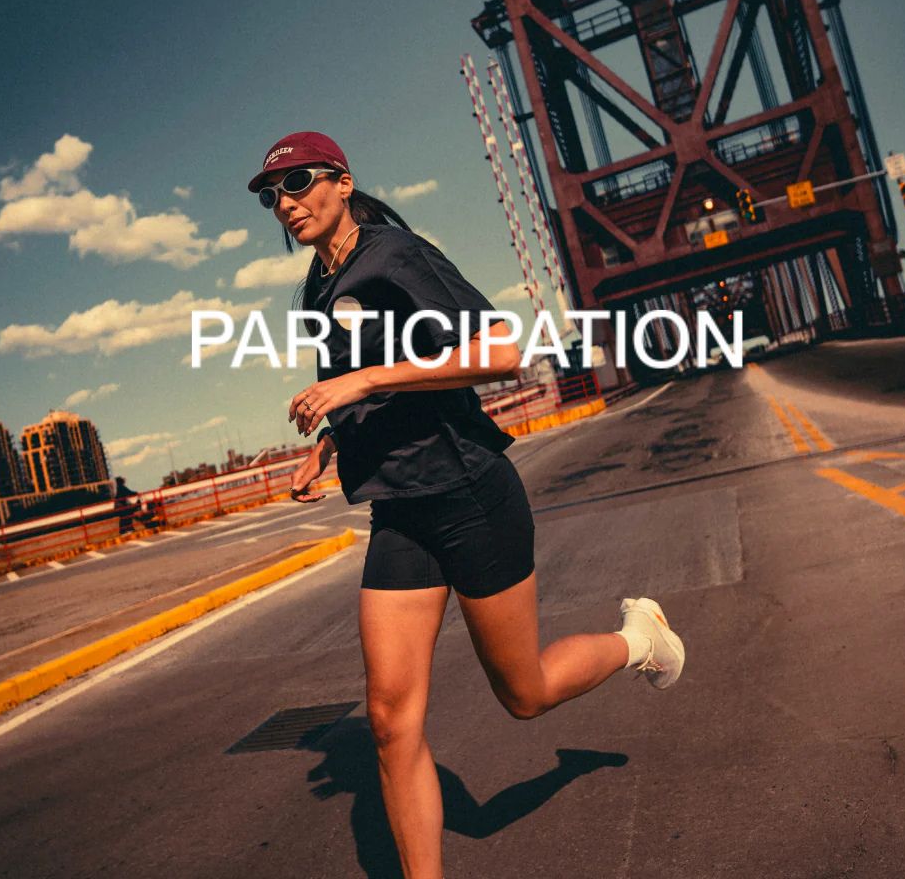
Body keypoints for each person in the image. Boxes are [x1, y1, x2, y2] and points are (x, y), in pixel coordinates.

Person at [247, 131, 686, 879]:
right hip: (400, 514)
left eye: (301, 183)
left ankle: (638, 638)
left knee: (526, 692)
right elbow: (362, 386)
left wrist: (360, 383)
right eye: (272, 194)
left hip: (469, 494)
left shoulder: (396, 254)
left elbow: (500, 352)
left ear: (343, 183)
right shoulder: (321, 288)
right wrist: (329, 440)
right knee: (389, 722)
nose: (287, 202)